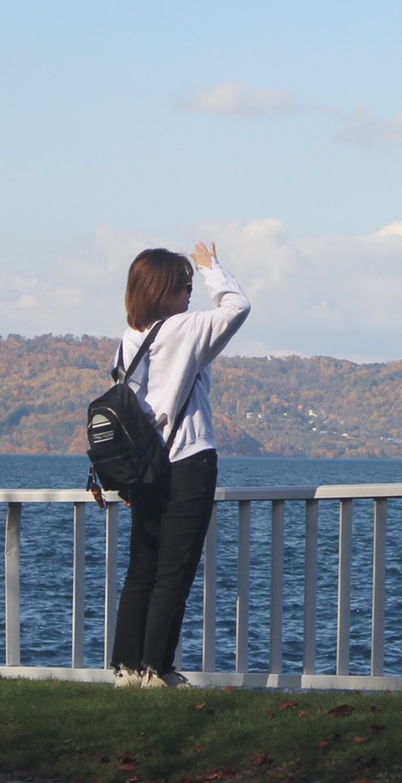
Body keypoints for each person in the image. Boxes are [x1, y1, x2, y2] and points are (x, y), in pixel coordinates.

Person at [108, 241, 249, 689]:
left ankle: (127, 669)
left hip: (143, 468)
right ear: (164, 291)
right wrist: (212, 269)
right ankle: (158, 669)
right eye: (184, 285)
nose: (190, 293)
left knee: (141, 571)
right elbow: (237, 307)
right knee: (175, 571)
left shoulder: (130, 340)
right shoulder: (185, 329)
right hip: (188, 460)